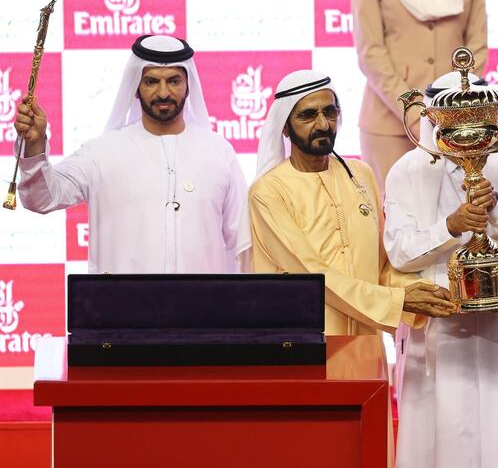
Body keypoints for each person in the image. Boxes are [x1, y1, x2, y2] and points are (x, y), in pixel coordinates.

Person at [384, 72, 498, 468]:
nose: (465, 132)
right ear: (434, 118)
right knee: (439, 443)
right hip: (440, 333)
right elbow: (399, 253)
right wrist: (450, 227)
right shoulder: (406, 171)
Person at [244, 69, 456, 336]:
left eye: (330, 112)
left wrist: (422, 290)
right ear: (285, 127)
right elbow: (310, 275)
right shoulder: (268, 192)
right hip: (304, 342)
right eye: (308, 115)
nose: (323, 124)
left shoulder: (360, 174)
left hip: (364, 340)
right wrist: (396, 301)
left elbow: (380, 265)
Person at [13, 34, 246, 273]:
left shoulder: (218, 152)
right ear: (135, 87)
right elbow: (41, 198)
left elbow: (241, 242)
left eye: (174, 81)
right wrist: (35, 146)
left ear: (188, 85)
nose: (163, 93)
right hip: (122, 306)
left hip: (201, 306)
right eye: (151, 82)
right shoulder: (101, 152)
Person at [352, 0, 487, 197]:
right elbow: (370, 53)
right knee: (389, 213)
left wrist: (450, 110)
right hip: (388, 123)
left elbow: (476, 50)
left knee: (455, 215)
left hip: (452, 124)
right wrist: (416, 115)